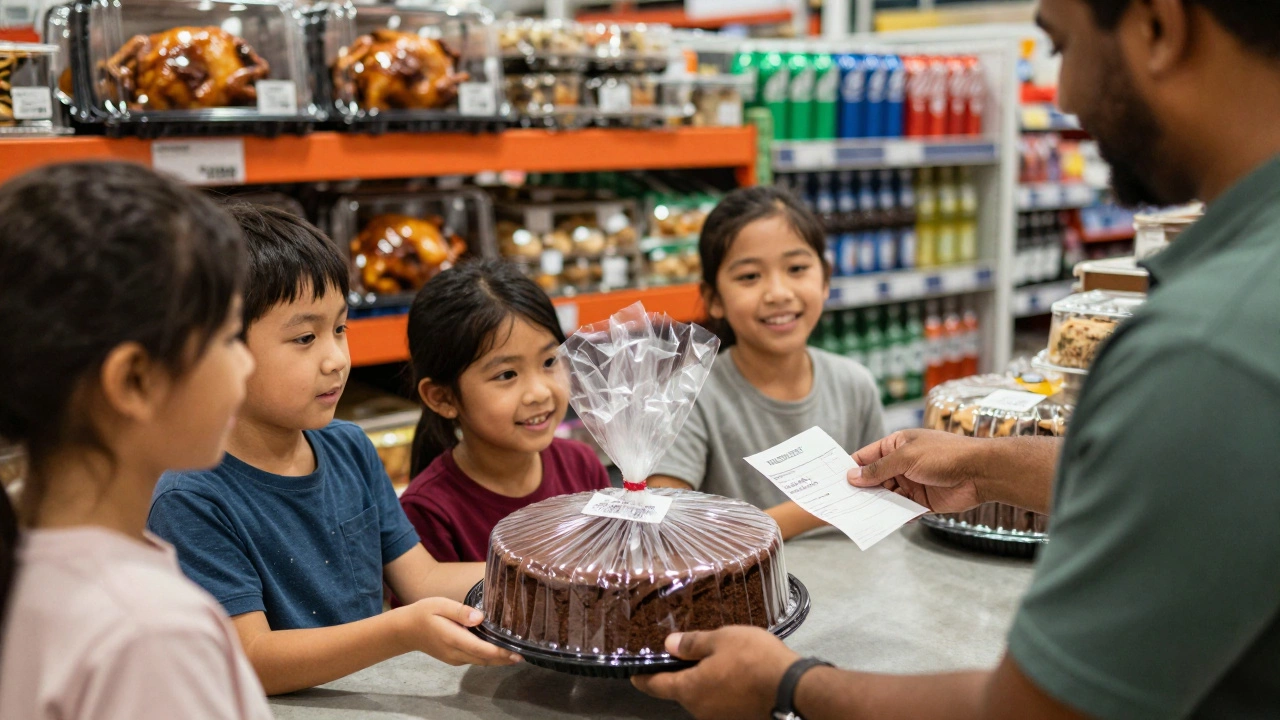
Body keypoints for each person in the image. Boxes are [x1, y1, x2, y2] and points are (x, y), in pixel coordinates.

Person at [633, 1, 1280, 718]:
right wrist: (980, 462)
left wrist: (787, 684)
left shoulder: (1209, 344)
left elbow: (1033, 710)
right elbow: (1174, 477)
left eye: (1061, 46)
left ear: (1159, 27)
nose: (1060, 96)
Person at [146, 205, 518, 697]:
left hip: (365, 696)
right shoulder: (191, 496)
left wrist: (541, 575)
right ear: (216, 348)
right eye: (305, 337)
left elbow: (421, 578)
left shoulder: (348, 446)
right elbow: (250, 659)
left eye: (340, 328)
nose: (337, 359)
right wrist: (400, 630)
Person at [0, 162, 270, 719]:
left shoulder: (23, 541)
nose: (244, 367)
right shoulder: (149, 633)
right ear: (134, 381)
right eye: (227, 339)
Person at [646, 186, 885, 539]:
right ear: (714, 299)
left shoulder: (855, 384)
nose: (778, 293)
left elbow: (879, 501)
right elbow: (669, 524)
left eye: (797, 268)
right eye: (749, 277)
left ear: (825, 280)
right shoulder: (690, 396)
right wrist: (825, 504)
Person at [399, 260, 611, 563]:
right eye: (507, 375)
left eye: (549, 362)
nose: (539, 392)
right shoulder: (428, 512)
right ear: (442, 398)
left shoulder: (582, 465)